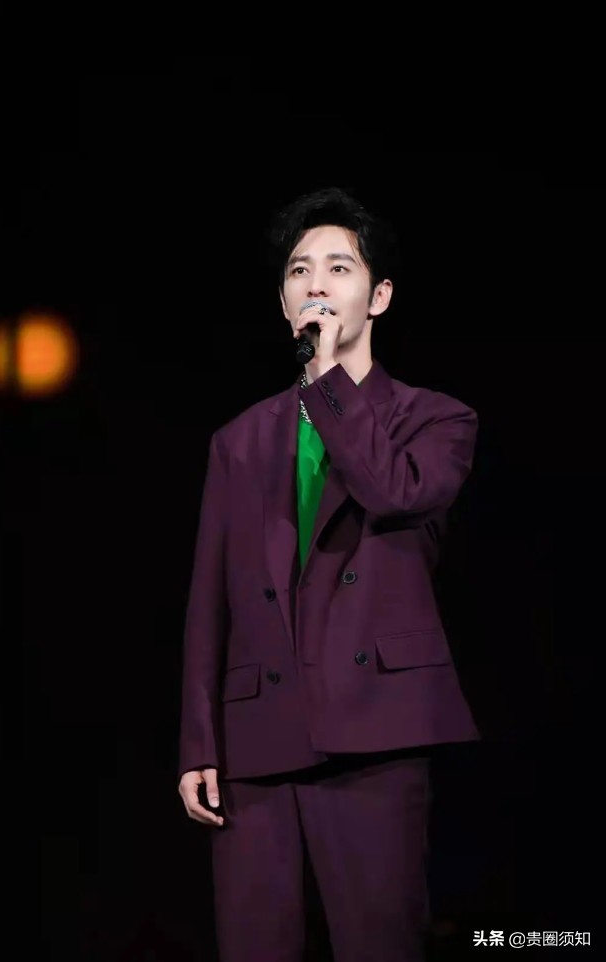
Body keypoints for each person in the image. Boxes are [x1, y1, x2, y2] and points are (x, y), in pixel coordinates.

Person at [177, 186, 480, 962]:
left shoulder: (436, 419)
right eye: (298, 271)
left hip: (375, 731)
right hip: (257, 740)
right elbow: (209, 600)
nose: (315, 283)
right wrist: (200, 741)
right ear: (283, 304)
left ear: (378, 296)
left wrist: (327, 383)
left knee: (379, 943)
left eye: (338, 268)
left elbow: (392, 491)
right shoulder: (238, 440)